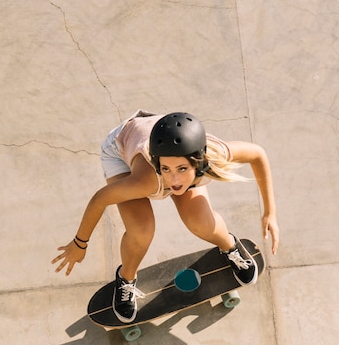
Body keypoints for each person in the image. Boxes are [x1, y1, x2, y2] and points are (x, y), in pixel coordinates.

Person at [51, 110, 279, 324]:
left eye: (182, 169)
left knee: (201, 222)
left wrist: (270, 212)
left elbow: (257, 154)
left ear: (199, 162)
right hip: (121, 150)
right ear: (159, 164)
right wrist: (80, 244)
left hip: (160, 138)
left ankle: (230, 247)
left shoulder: (215, 154)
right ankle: (126, 279)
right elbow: (100, 199)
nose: (174, 181)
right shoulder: (148, 179)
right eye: (166, 169)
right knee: (141, 230)